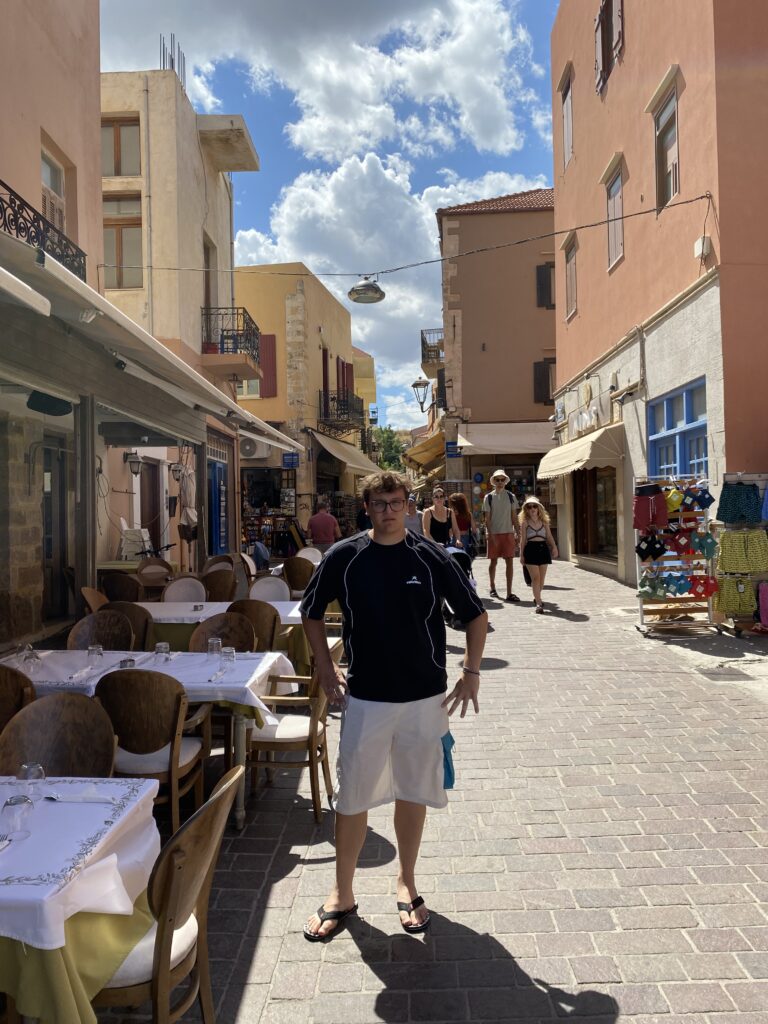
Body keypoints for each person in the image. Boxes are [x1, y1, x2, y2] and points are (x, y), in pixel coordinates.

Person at [300, 469, 488, 941]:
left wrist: (471, 671)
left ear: (408, 505)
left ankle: (407, 881)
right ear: (366, 507)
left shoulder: (430, 556)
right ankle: (342, 892)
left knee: (413, 789)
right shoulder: (344, 557)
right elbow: (311, 612)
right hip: (365, 698)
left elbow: (475, 615)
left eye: (397, 503)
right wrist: (325, 666)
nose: (389, 511)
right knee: (352, 795)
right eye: (380, 504)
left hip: (424, 698)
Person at [482, 469, 520, 602]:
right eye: (497, 480)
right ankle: (492, 588)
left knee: (510, 562)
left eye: (502, 480)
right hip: (494, 533)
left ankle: (509, 593)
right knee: (493, 561)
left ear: (505, 481)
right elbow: (487, 519)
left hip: (508, 533)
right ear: (493, 482)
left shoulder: (511, 496)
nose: (500, 482)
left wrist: (518, 533)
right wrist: (490, 534)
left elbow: (514, 517)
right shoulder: (488, 497)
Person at [518, 497, 558, 614]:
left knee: (541, 580)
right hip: (530, 550)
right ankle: (539, 604)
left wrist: (554, 547)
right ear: (526, 509)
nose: (532, 509)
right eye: (529, 507)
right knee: (535, 578)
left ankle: (537, 597)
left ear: (539, 508)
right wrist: (521, 555)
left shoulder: (544, 522)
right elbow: (523, 540)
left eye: (534, 506)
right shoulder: (525, 523)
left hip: (543, 549)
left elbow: (549, 536)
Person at [448, 492, 475, 556]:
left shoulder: (450, 513)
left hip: (454, 538)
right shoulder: (468, 514)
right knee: (465, 557)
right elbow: (474, 529)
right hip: (466, 538)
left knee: (454, 557)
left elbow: (449, 528)